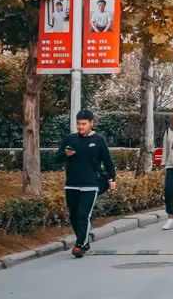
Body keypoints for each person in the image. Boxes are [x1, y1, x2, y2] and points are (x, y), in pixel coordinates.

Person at [57, 109, 116, 258]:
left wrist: (112, 178)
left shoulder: (98, 140)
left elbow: (108, 161)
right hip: (71, 184)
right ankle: (84, 242)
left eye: (83, 124)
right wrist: (66, 154)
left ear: (91, 123)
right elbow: (56, 158)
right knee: (74, 216)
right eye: (78, 124)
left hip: (90, 184)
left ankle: (80, 245)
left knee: (83, 215)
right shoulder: (70, 139)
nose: (80, 127)